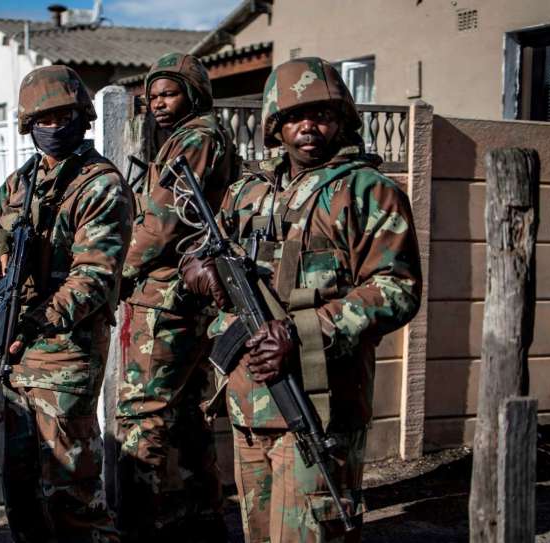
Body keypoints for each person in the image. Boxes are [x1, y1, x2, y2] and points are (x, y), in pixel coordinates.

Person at [180, 57, 423, 542]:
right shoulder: (248, 192)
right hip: (249, 407)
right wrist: (198, 271)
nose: (308, 126)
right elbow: (195, 248)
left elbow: (397, 289)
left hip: (318, 407)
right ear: (275, 124)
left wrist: (301, 331)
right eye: (294, 116)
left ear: (342, 120)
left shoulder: (368, 192)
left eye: (322, 115)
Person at [0, 65, 133, 543]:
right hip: (15, 363)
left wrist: (30, 324)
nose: (53, 127)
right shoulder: (23, 182)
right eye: (43, 118)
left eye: (63, 116)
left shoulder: (100, 185)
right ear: (28, 125)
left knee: (72, 501)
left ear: (82, 117)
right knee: (22, 494)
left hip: (64, 359)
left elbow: (92, 279)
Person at [115, 52, 236, 542]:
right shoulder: (190, 136)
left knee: (141, 417)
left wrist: (115, 274)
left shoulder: (197, 137)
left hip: (168, 297)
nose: (157, 105)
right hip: (183, 293)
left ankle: (134, 526)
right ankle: (203, 522)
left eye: (168, 94)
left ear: (193, 92)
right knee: (186, 414)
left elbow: (161, 224)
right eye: (152, 97)